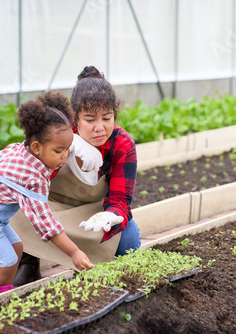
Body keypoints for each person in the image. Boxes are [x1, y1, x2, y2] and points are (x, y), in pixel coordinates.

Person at [0, 91, 93, 306]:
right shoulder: (33, 177)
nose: (65, 156)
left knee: (15, 249)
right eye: (59, 150)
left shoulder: (17, 149)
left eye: (67, 150)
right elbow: (45, 224)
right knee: (3, 263)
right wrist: (74, 252)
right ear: (37, 147)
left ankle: (0, 301)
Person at [12, 66, 141, 286]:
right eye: (90, 120)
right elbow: (25, 175)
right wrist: (70, 146)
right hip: (51, 207)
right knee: (13, 208)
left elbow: (121, 200)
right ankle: (28, 262)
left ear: (114, 116)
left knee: (128, 239)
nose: (100, 128)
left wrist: (111, 215)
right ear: (76, 119)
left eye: (107, 118)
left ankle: (90, 267)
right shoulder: (58, 134)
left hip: (90, 214)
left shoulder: (122, 145)